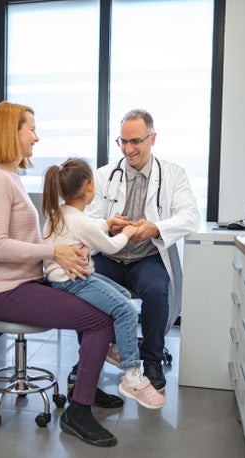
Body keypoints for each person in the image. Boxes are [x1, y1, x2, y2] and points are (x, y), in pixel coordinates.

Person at [0, 101, 119, 447]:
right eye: (31, 129)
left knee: (103, 303)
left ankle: (87, 388)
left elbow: (28, 239)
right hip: (3, 291)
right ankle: (78, 411)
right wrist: (53, 252)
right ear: (12, 132)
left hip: (24, 282)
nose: (36, 137)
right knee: (99, 320)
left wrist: (67, 254)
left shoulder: (11, 177)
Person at [81, 108, 201, 393]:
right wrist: (108, 226)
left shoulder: (173, 174)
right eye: (123, 142)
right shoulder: (103, 175)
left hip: (147, 257)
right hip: (109, 255)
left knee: (157, 291)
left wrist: (156, 229)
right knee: (82, 284)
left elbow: (191, 216)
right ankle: (89, 358)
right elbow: (89, 218)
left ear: (152, 138)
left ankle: (152, 360)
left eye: (135, 141)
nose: (128, 149)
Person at [42, 158, 166, 409]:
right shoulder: (81, 221)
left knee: (121, 293)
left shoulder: (60, 213)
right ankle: (132, 376)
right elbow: (110, 245)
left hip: (66, 279)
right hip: (74, 282)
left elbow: (85, 228)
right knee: (127, 309)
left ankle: (112, 347)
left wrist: (108, 224)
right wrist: (127, 233)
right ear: (90, 186)